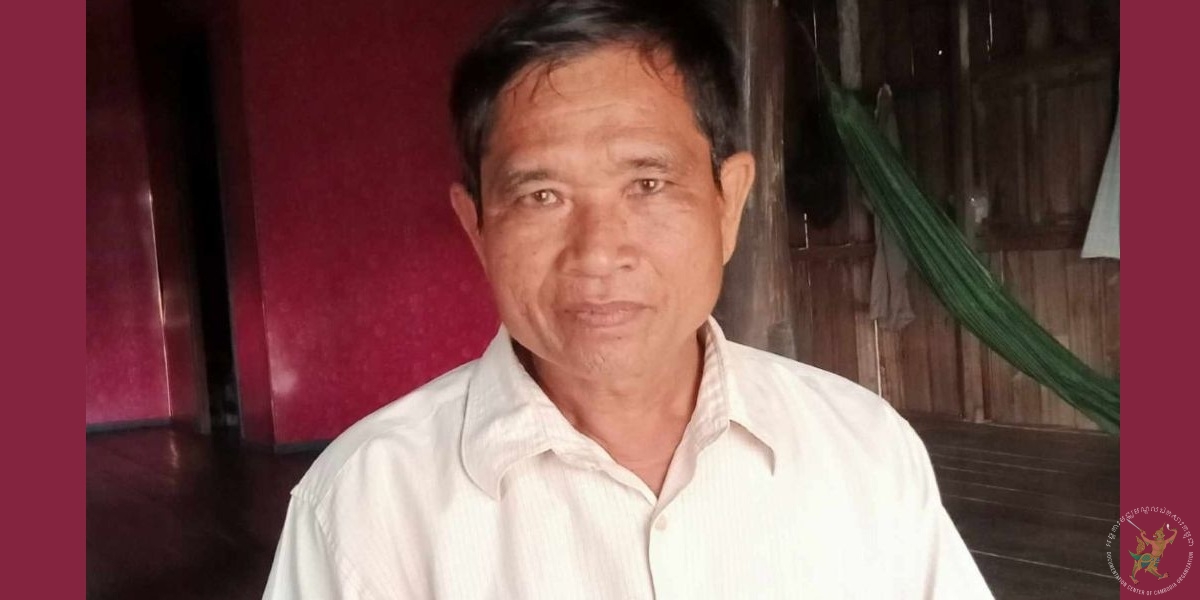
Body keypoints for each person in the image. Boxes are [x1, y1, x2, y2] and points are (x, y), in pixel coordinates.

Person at [263, 0, 993, 597]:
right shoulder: (363, 505)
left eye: (647, 184)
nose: (597, 252)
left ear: (729, 203)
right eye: (541, 195)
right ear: (477, 227)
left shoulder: (863, 448)